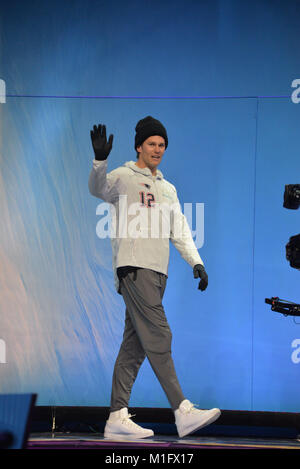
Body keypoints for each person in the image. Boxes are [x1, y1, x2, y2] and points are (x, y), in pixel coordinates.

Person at [88, 116, 221, 439]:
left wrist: (196, 262)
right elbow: (97, 189)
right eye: (151, 144)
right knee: (159, 336)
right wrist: (99, 161)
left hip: (157, 271)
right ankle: (182, 410)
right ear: (139, 146)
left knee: (134, 346)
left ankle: (117, 417)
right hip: (134, 268)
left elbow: (179, 229)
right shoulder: (123, 176)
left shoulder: (167, 188)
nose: (157, 149)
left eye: (161, 145)